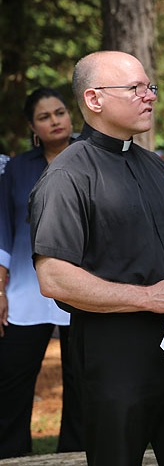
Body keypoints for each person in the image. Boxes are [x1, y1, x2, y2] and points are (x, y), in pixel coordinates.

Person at [28, 51, 164, 466]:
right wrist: (146, 297)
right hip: (117, 354)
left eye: (149, 86)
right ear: (94, 99)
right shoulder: (67, 176)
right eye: (135, 88)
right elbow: (54, 278)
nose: (149, 96)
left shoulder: (158, 168)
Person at [0, 87, 83, 458]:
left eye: (60, 112)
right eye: (45, 117)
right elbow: (3, 228)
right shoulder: (17, 168)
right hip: (25, 290)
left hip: (85, 287)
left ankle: (75, 456)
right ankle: (12, 456)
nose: (55, 121)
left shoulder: (93, 157)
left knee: (83, 384)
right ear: (33, 127)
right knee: (12, 383)